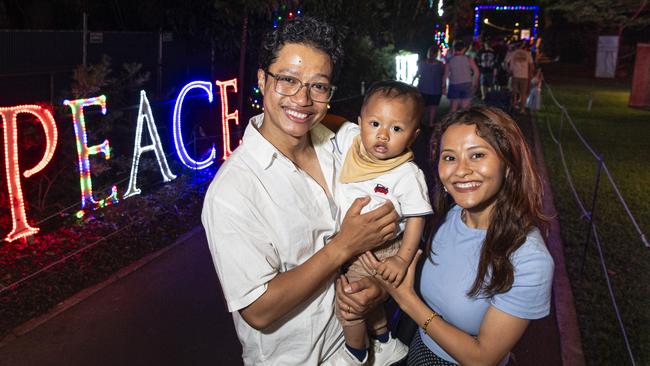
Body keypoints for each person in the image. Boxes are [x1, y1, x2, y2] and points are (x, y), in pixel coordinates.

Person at [201, 17, 398, 366]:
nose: (302, 99)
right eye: (288, 80)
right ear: (262, 80)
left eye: (318, 86)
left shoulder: (340, 144)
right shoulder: (233, 192)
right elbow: (259, 311)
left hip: (358, 345)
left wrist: (377, 290)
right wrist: (345, 245)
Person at [362, 106, 554, 365]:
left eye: (477, 155)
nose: (461, 170)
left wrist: (406, 300)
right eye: (450, 158)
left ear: (508, 165)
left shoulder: (529, 259)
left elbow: (482, 358)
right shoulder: (450, 216)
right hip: (417, 350)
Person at [333, 81, 433, 365]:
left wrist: (402, 259)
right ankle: (384, 339)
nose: (383, 135)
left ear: (413, 136)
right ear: (360, 122)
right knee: (365, 295)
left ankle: (356, 352)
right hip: (353, 245)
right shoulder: (350, 140)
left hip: (384, 251)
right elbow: (323, 123)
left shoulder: (406, 174)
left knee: (350, 299)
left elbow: (416, 218)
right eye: (375, 123)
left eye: (397, 129)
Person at [443, 40, 480, 113]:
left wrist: (443, 86)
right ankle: (463, 123)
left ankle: (451, 122)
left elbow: (445, 75)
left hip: (454, 84)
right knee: (465, 108)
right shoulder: (468, 59)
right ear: (464, 49)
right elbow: (477, 72)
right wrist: (474, 83)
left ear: (454, 49)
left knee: (453, 108)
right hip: (466, 83)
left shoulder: (450, 60)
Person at [415, 46, 444, 128]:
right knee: (433, 106)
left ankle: (421, 122)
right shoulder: (440, 65)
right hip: (436, 89)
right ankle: (431, 123)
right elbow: (443, 75)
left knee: (423, 106)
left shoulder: (422, 63)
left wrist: (413, 82)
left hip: (423, 88)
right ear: (437, 54)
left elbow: (418, 73)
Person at [505, 42, 535, 113]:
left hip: (515, 75)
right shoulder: (527, 53)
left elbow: (506, 62)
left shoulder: (513, 53)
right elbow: (531, 65)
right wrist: (530, 74)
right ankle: (522, 109)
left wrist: (508, 70)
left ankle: (514, 106)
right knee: (523, 93)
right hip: (524, 76)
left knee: (514, 92)